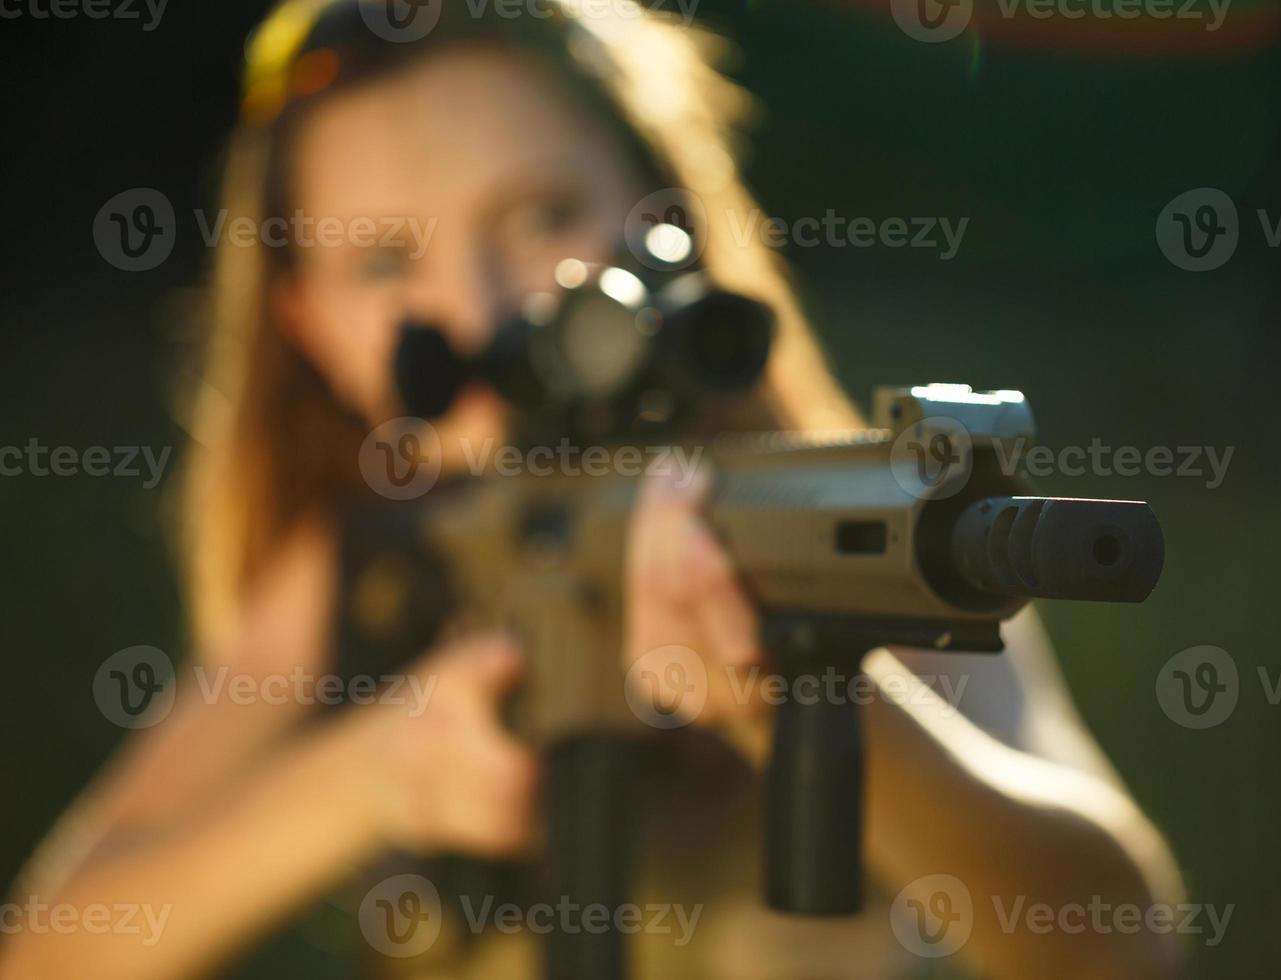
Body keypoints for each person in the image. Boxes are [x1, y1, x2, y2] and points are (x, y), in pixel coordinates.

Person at [0, 1, 1185, 977]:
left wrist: (800, 699)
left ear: (661, 216)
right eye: (383, 257)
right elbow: (53, 946)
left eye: (541, 215)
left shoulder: (820, 520)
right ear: (308, 324)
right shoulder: (369, 571)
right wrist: (374, 771)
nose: (480, 309)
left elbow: (1116, 939)